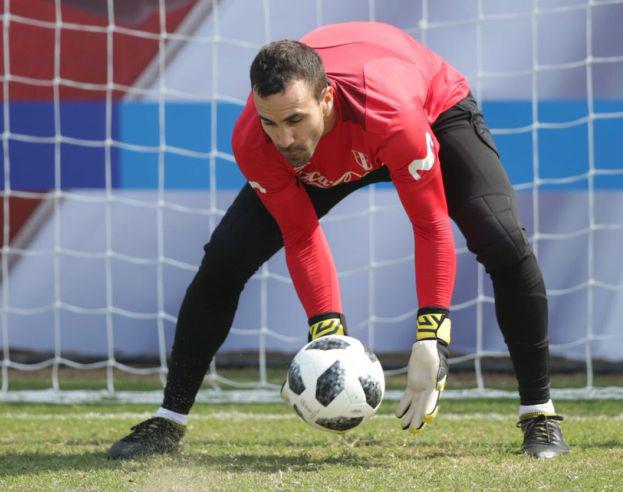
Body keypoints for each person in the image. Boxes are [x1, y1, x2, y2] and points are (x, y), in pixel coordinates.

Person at [108, 21, 569, 460]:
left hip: (431, 111)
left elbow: (428, 224)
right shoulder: (257, 141)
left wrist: (432, 336)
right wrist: (327, 337)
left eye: (294, 119)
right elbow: (301, 233)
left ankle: (539, 414)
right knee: (224, 260)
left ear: (326, 98)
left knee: (503, 241)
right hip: (336, 147)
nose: (284, 138)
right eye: (271, 122)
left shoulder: (392, 117)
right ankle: (168, 421)